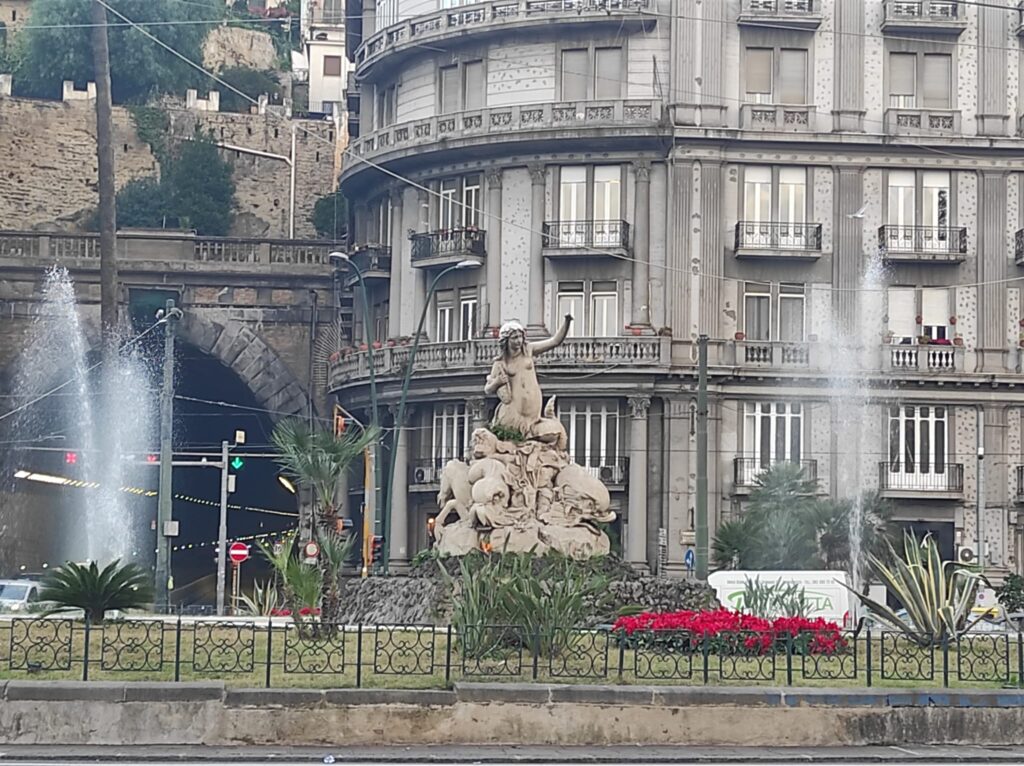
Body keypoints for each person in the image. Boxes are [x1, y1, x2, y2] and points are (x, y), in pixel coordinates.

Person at [484, 315, 572, 443]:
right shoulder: (500, 363)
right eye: (514, 338)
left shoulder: (528, 350)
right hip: (513, 413)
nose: (519, 341)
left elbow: (554, 341)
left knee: (551, 435)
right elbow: (487, 389)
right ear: (506, 340)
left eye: (520, 337)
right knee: (510, 442)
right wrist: (497, 382)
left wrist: (567, 322)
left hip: (533, 413)